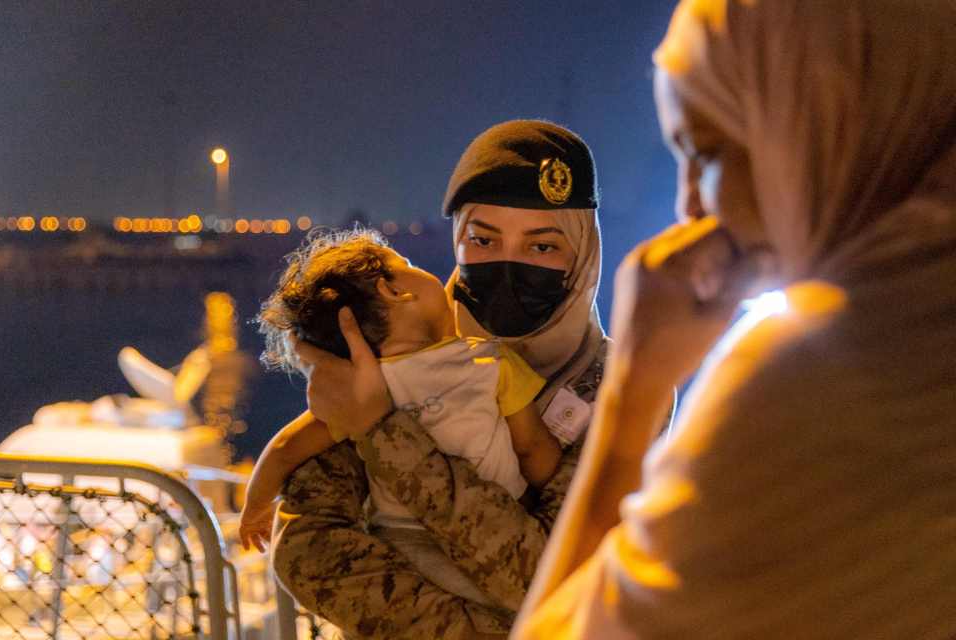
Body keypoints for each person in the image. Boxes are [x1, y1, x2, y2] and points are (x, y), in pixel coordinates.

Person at [514, 0, 956, 637]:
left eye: (710, 151)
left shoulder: (828, 379)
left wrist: (631, 395)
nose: (690, 205)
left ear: (818, 121)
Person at [270, 120, 612, 639]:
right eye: (483, 239)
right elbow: (307, 547)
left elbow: (555, 578)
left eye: (542, 247)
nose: (508, 264)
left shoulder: (618, 390)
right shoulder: (387, 340)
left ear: (582, 252)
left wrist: (381, 429)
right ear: (457, 240)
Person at [238, 229, 562, 603]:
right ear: (394, 291)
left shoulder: (364, 391)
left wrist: (255, 509)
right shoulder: (490, 361)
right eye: (406, 264)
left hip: (405, 546)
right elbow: (533, 448)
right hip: (497, 532)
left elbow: (285, 447)